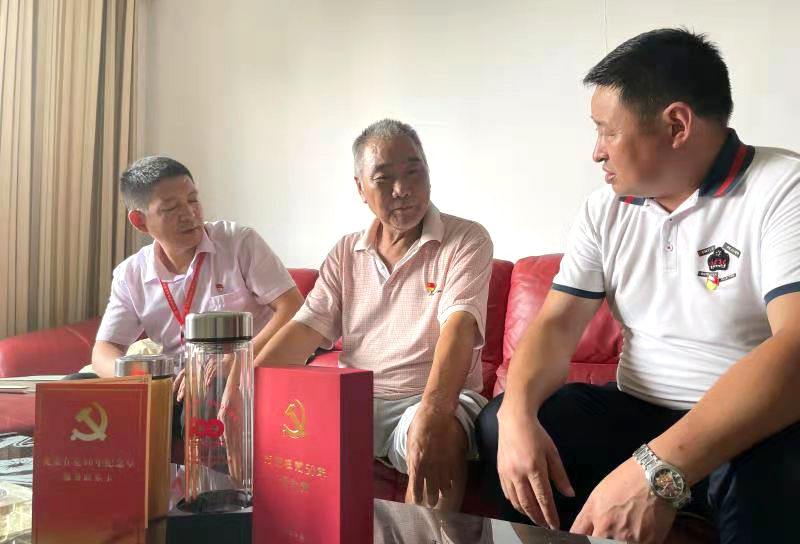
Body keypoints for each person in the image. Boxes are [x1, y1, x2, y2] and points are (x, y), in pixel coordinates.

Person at [476, 28, 800, 544]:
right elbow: (556, 324)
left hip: (744, 425)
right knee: (501, 425)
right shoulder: (604, 209)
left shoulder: (782, 187)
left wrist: (657, 471)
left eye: (607, 132)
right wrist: (516, 412)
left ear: (676, 125)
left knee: (774, 470)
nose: (596, 153)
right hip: (637, 408)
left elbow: (795, 348)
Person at [255, 119, 494, 511]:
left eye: (414, 172)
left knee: (438, 433)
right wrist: (247, 390)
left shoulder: (465, 239)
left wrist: (433, 411)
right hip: (355, 399)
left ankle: (422, 536)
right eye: (384, 179)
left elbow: (458, 328)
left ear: (428, 172)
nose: (402, 190)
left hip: (430, 396)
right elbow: (304, 329)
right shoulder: (346, 252)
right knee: (276, 424)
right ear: (361, 188)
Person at [91, 156, 304, 393]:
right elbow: (104, 350)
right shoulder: (131, 274)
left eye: (193, 200)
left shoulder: (238, 243)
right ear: (140, 221)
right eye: (171, 208)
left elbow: (293, 307)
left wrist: (240, 357)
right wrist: (144, 379)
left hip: (244, 377)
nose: (190, 214)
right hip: (175, 388)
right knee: (76, 383)